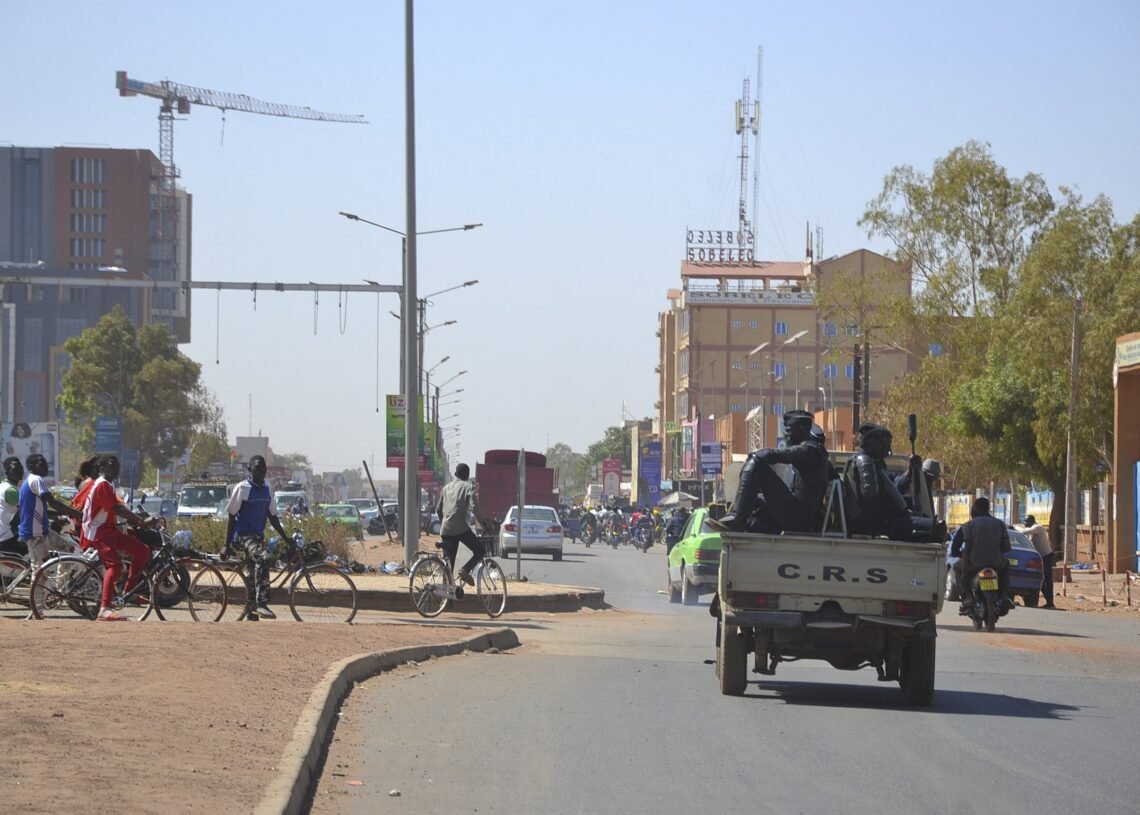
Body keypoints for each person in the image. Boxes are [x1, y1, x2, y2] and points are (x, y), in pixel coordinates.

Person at [717, 409, 830, 534]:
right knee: (757, 500)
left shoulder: (808, 451)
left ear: (801, 430)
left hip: (800, 519)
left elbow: (775, 455)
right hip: (803, 517)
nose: (787, 436)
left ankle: (737, 519)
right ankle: (743, 524)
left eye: (789, 430)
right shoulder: (818, 454)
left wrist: (752, 458)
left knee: (757, 462)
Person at [81, 454, 156, 622]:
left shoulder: (110, 484)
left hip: (109, 530)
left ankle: (128, 593)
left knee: (142, 551)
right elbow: (117, 509)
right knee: (115, 566)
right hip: (98, 532)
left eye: (117, 466)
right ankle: (104, 609)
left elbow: (121, 506)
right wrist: (141, 522)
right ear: (101, 469)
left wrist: (140, 517)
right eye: (111, 466)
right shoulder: (102, 485)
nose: (115, 469)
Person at [844, 423, 943, 542]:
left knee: (932, 524)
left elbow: (894, 487)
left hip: (881, 521)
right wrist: (898, 511)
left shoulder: (877, 465)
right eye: (884, 444)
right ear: (873, 442)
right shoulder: (865, 462)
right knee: (935, 528)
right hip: (871, 524)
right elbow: (874, 505)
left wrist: (909, 472)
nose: (888, 449)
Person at [224, 455, 292, 620]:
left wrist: (286, 538)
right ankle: (261, 603)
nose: (260, 473)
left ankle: (250, 609)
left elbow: (273, 517)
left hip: (257, 536)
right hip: (243, 535)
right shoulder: (242, 488)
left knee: (254, 572)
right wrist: (226, 545)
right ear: (250, 470)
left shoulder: (267, 489)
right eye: (257, 469)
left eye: (263, 470)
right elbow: (232, 516)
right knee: (263, 558)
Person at [19, 453, 82, 570]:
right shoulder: (36, 479)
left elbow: (42, 511)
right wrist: (77, 513)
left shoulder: (30, 481)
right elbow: (53, 502)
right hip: (34, 534)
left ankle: (61, 587)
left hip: (43, 531)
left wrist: (61, 515)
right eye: (41, 464)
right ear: (32, 466)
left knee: (68, 550)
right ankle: (38, 588)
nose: (46, 466)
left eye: (46, 463)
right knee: (40, 572)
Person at [434, 463, 493, 586]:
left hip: (445, 529)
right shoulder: (468, 486)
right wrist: (484, 523)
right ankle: (465, 570)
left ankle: (447, 599)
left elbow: (438, 510)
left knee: (448, 565)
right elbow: (475, 507)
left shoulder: (446, 488)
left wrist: (445, 522)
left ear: (455, 475)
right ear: (467, 476)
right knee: (480, 550)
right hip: (460, 528)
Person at [951, 496, 1011, 610]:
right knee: (1006, 564)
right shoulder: (1000, 524)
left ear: (974, 509)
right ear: (988, 508)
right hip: (996, 563)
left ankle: (967, 597)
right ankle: (1004, 596)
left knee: (956, 568)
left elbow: (954, 550)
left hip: (972, 564)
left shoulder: (967, 525)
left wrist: (962, 555)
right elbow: (1007, 548)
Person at [1020, 514, 1056, 608]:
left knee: (1042, 580)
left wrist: (1014, 527)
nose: (1025, 524)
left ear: (1032, 521)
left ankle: (1050, 602)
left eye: (1026, 522)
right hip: (1042, 557)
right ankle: (1050, 602)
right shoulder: (1033, 530)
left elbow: (1024, 531)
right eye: (1024, 522)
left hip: (1046, 557)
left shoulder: (1038, 527)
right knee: (1047, 580)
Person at [0, 456, 24, 556]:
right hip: (5, 536)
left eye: (21, 468)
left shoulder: (3, 486)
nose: (19, 471)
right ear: (7, 472)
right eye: (15, 469)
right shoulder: (11, 490)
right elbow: (29, 510)